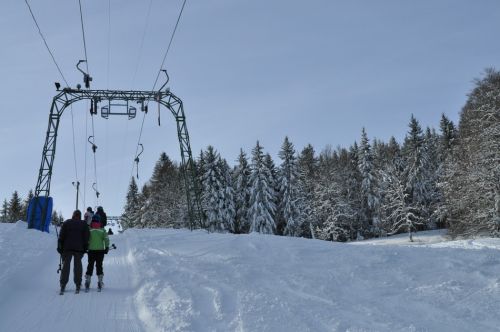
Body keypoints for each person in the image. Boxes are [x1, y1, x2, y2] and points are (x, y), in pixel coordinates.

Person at [57, 209, 90, 294]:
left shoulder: (67, 222)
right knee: (78, 265)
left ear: (73, 215)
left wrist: (60, 246)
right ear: (80, 215)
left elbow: (61, 235)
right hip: (79, 248)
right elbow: (86, 236)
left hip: (67, 248)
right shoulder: (84, 224)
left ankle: (63, 284)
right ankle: (78, 284)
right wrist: (86, 246)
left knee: (66, 266)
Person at [84, 214, 110, 291]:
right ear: (99, 220)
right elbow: (106, 239)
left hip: (91, 250)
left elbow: (86, 238)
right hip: (100, 251)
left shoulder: (89, 229)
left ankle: (88, 281)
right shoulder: (102, 230)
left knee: (90, 265)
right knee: (99, 265)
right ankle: (100, 281)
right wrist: (107, 247)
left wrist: (86, 246)